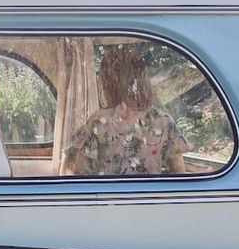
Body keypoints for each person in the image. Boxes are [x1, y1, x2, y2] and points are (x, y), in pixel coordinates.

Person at [62, 45, 188, 176]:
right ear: (144, 82)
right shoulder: (164, 121)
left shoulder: (98, 122)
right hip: (150, 195)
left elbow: (72, 172)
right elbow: (179, 173)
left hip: (107, 195)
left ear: (106, 83)